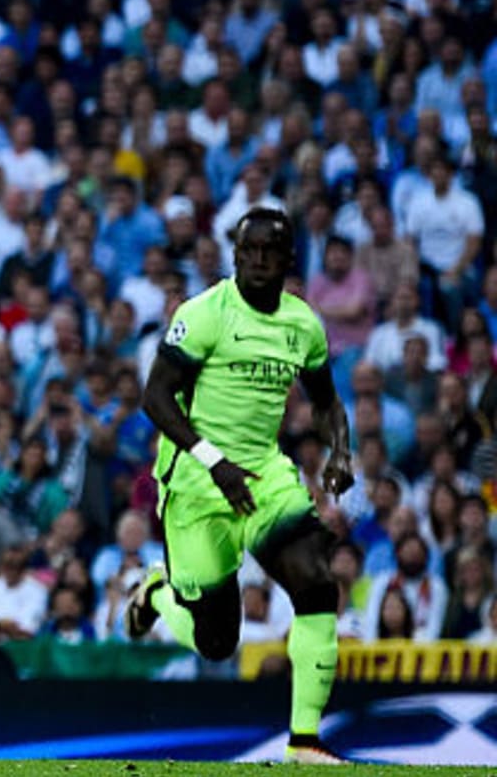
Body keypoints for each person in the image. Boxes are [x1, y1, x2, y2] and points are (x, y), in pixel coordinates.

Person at [126, 205, 355, 765]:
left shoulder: (302, 324)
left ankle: (303, 742)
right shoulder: (204, 313)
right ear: (234, 255)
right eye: (247, 250)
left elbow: (325, 403)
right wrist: (213, 460)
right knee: (217, 642)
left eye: (268, 252)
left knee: (317, 582)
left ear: (287, 259)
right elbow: (155, 398)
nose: (256, 260)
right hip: (196, 481)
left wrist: (341, 450)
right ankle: (155, 591)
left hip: (263, 473)